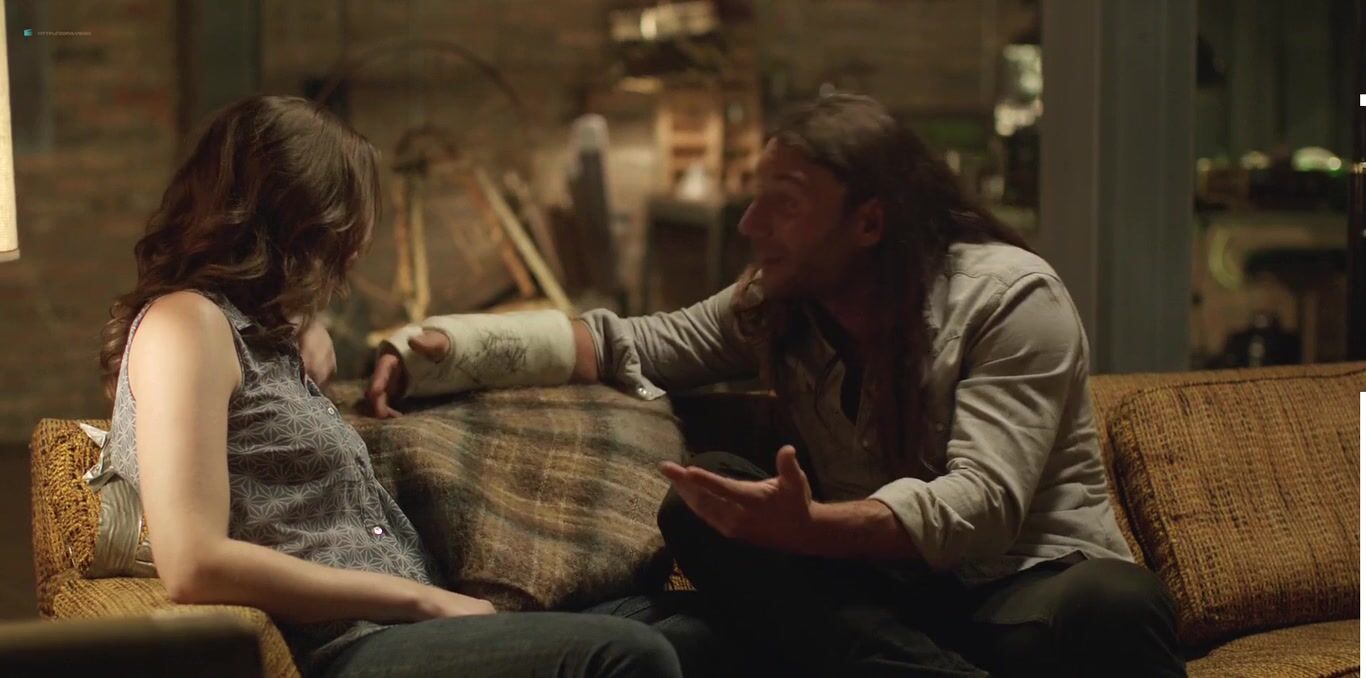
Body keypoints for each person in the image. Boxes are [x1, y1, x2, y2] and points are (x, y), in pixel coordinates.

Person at [361, 94, 1187, 677]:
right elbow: (629, 343)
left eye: (783, 205)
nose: (752, 226)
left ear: (869, 222)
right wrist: (439, 349)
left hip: (1024, 596)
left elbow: (982, 505)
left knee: (1116, 603)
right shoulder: (777, 306)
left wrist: (815, 528)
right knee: (700, 500)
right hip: (887, 611)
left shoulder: (1009, 298)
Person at [98, 95, 683, 678]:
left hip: (411, 629)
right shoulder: (184, 324)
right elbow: (193, 562)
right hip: (350, 647)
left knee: (691, 632)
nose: (357, 248)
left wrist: (306, 320)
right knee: (632, 655)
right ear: (296, 219)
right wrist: (421, 600)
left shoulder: (260, 335)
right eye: (346, 222)